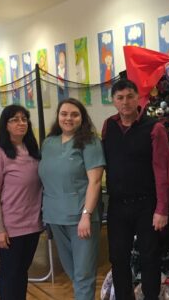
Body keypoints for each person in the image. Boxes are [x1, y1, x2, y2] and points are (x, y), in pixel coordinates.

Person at [102, 79, 169, 300]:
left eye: (130, 96)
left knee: (149, 257)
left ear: (138, 98)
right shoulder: (108, 126)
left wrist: (162, 209)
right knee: (118, 257)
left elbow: (162, 171)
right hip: (117, 205)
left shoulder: (155, 128)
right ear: (113, 101)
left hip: (146, 205)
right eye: (120, 98)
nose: (125, 102)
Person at [38, 98, 105, 300]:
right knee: (72, 271)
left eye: (75, 114)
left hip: (81, 218)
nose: (69, 118)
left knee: (83, 274)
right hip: (55, 216)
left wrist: (86, 214)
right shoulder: (48, 143)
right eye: (64, 114)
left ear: (82, 118)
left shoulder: (90, 142)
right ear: (58, 116)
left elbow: (95, 182)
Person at [0, 105, 43, 299]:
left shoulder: (34, 152)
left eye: (24, 119)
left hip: (33, 225)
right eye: (15, 120)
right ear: (6, 125)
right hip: (11, 228)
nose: (21, 123)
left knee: (22, 272)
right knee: (10, 274)